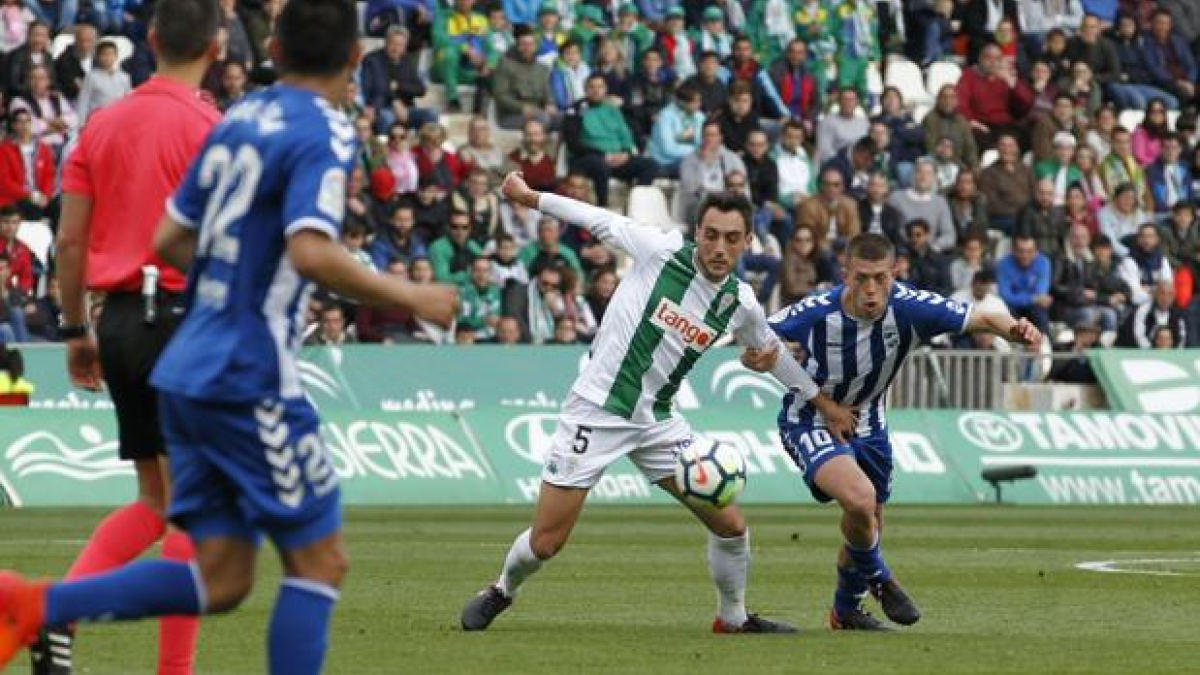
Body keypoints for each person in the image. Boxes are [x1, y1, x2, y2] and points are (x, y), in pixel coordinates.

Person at [0, 3, 457, 675]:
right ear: (356, 58)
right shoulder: (317, 128)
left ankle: (39, 604)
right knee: (319, 561)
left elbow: (168, 237)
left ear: (274, 49)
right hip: (246, 369)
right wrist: (413, 295)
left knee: (222, 576)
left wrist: (226, 278)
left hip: (178, 360)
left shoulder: (241, 120)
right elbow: (310, 250)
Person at [461, 171, 853, 634]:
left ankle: (733, 619)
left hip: (657, 423)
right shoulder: (659, 250)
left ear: (748, 241)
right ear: (697, 233)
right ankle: (501, 589)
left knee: (731, 525)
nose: (719, 248)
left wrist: (821, 402)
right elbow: (593, 217)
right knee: (547, 542)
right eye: (711, 235)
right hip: (596, 410)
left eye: (731, 238)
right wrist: (530, 197)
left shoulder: (739, 302)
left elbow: (771, 351)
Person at [37, 2, 225, 672]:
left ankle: (54, 613)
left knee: (155, 498)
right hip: (183, 318)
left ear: (149, 40)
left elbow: (69, 240)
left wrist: (76, 329)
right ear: (217, 46)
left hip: (117, 319)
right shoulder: (212, 129)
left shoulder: (102, 125)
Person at [750, 232, 1040, 630]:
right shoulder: (816, 311)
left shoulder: (911, 307)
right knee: (859, 499)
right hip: (810, 420)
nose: (871, 289)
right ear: (845, 274)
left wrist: (1016, 330)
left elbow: (985, 317)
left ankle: (846, 611)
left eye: (880, 278)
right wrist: (756, 359)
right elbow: (756, 341)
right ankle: (881, 578)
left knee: (868, 521)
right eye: (861, 278)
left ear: (895, 274)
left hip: (870, 424)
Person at [563, 74, 658, 208]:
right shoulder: (577, 109)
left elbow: (625, 134)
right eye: (592, 87)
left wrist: (626, 153)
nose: (596, 90)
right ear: (586, 90)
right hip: (588, 158)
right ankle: (603, 207)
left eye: (600, 87)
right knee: (600, 165)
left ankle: (635, 206)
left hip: (617, 158)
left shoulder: (612, 109)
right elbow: (573, 143)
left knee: (650, 165)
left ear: (606, 89)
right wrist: (603, 155)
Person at [0, 108, 54, 221]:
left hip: (39, 196)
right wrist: (31, 195)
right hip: (16, 197)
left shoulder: (43, 148)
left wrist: (45, 195)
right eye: (20, 122)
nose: (25, 125)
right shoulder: (5, 149)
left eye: (27, 121)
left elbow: (49, 175)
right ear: (14, 126)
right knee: (33, 208)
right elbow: (5, 181)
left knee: (59, 206)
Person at [998, 234, 1054, 333]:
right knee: (1005, 309)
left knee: (1040, 309)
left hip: (1034, 308)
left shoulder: (1043, 262)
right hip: (1012, 308)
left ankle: (1043, 339)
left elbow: (1040, 293)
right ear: (1013, 251)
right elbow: (1005, 296)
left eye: (1030, 251)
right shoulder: (1003, 264)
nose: (1025, 255)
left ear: (1036, 251)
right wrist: (1031, 299)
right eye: (1021, 251)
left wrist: (1022, 297)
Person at [75, 39, 132, 121]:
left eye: (111, 54)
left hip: (118, 118)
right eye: (104, 54)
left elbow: (128, 100)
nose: (107, 57)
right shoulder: (91, 77)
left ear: (116, 56)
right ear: (98, 57)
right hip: (98, 119)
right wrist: (81, 122)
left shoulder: (124, 77)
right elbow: (83, 101)